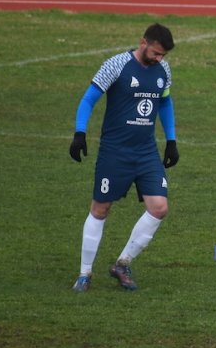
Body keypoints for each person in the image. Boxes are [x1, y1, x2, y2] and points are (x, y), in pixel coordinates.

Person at [68, 23, 179, 292]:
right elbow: (88, 100)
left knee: (159, 208)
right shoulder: (115, 65)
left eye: (163, 55)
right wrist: (80, 133)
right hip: (115, 151)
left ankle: (123, 263)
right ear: (143, 42)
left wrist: (171, 140)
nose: (159, 59)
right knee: (101, 208)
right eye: (155, 53)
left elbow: (164, 101)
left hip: (146, 151)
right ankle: (84, 274)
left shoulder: (162, 69)